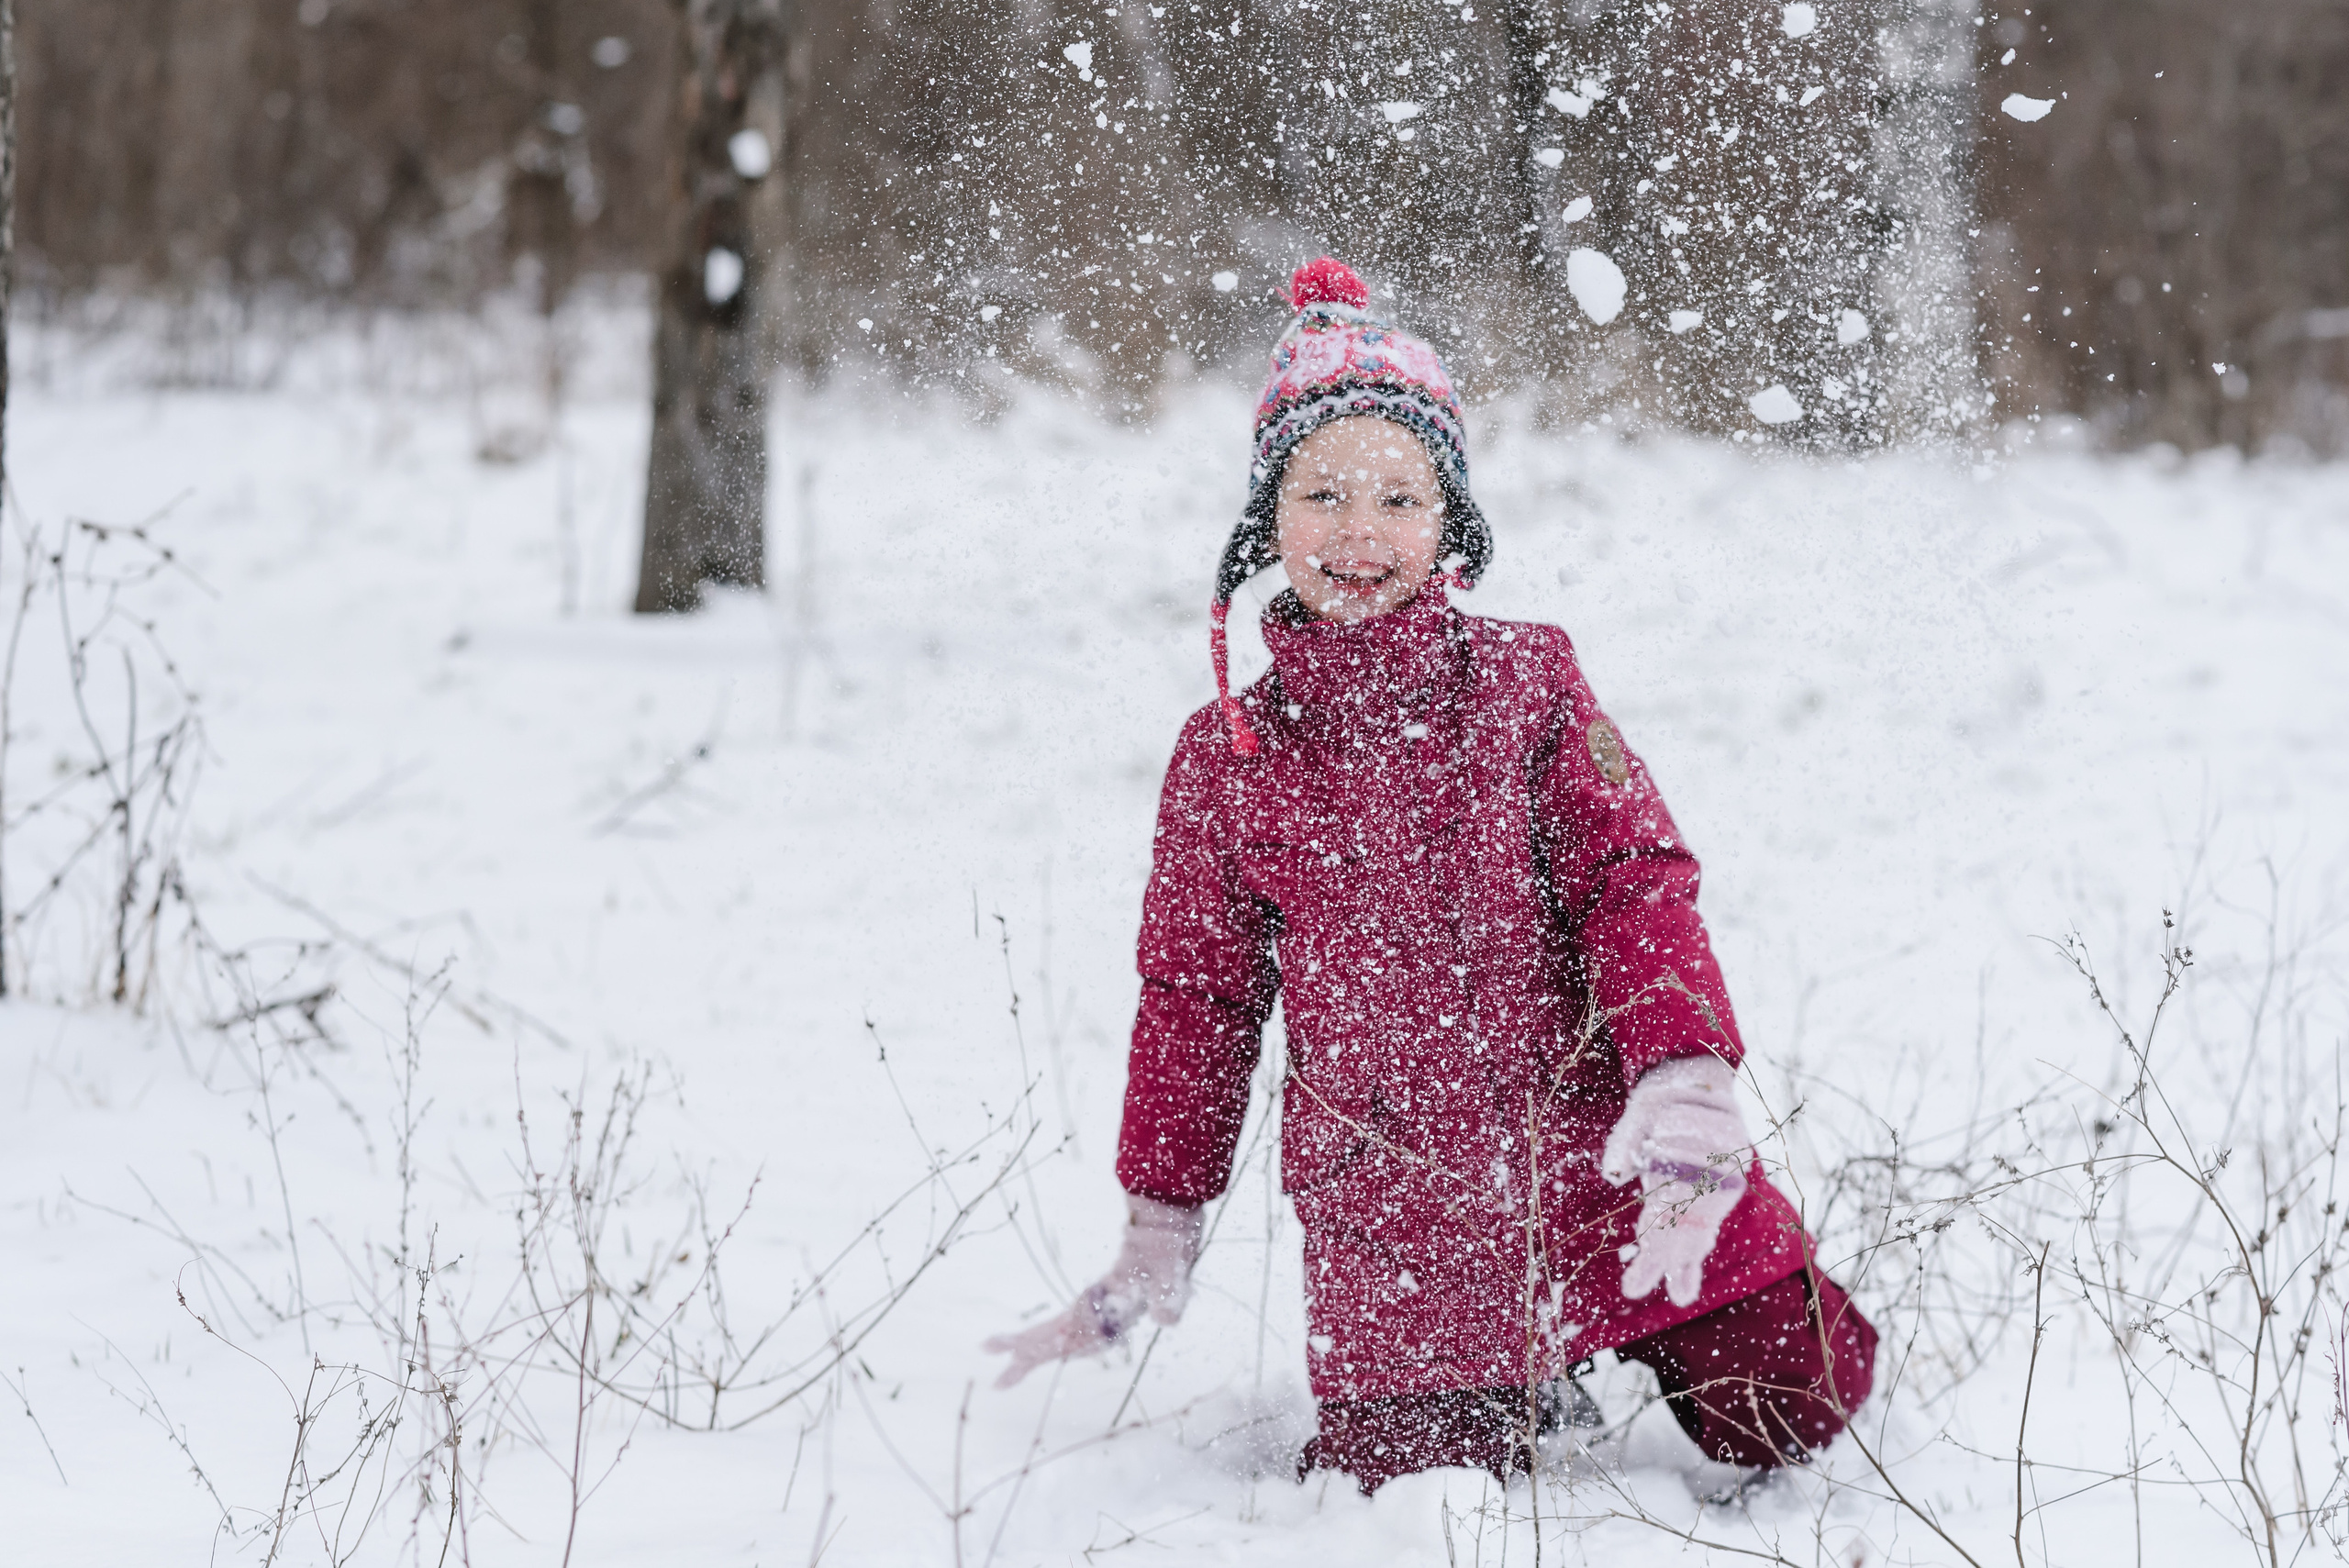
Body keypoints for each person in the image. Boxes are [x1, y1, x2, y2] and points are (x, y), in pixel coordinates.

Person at [985, 258, 1876, 1495]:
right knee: (1407, 1493)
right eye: (1323, 493)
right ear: (1268, 520)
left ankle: (1615, 1328)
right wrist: (1159, 1218)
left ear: (1449, 521)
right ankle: (1502, 1380)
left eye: (1400, 497)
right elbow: (1198, 1000)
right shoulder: (1227, 757)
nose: (1361, 531)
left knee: (1802, 1393)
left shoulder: (1529, 686)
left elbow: (1635, 878)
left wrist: (1683, 1080)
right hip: (1398, 1214)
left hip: (1599, 1149)